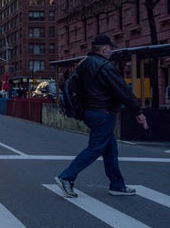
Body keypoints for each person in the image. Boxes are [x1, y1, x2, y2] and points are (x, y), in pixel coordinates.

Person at [55, 34, 149, 198]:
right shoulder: (104, 66)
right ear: (104, 48)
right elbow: (122, 90)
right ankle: (66, 176)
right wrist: (138, 111)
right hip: (103, 113)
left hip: (89, 112)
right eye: (110, 48)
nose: (111, 51)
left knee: (110, 149)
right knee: (96, 148)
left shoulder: (83, 64)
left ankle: (117, 185)